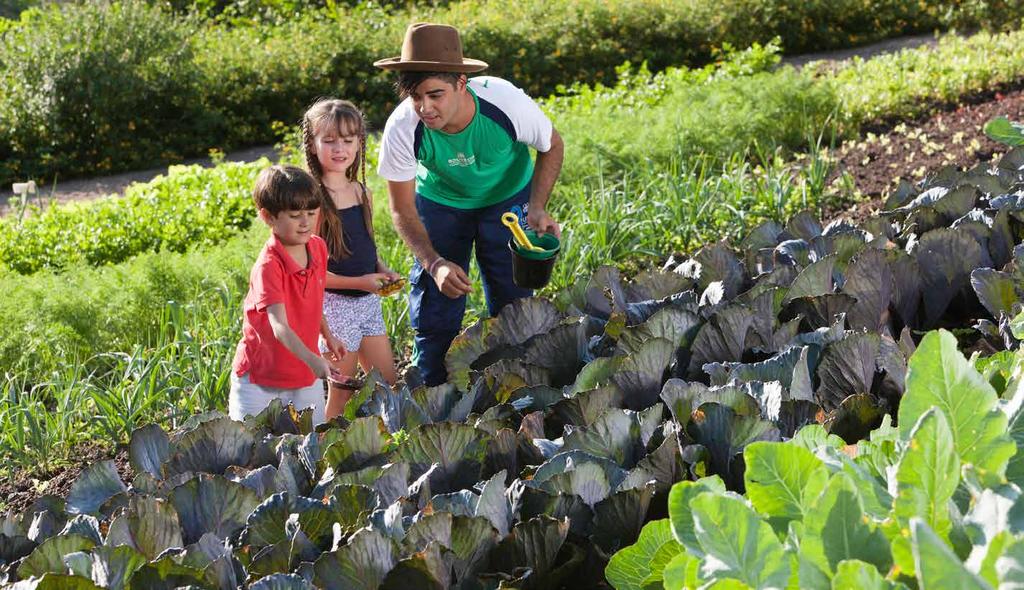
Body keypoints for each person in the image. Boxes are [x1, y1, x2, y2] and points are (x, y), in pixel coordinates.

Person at [375, 22, 564, 386]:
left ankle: (518, 387)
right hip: (442, 203)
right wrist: (434, 264)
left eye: (435, 94)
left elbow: (551, 146)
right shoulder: (402, 127)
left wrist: (537, 207)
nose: (424, 108)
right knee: (436, 304)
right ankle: (433, 393)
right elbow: (401, 209)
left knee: (513, 300)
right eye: (415, 96)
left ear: (462, 83)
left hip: (507, 198)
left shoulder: (505, 103)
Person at [302, 98, 400, 419]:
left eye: (348, 139)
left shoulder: (362, 192)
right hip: (335, 309)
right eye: (329, 140)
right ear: (313, 146)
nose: (339, 148)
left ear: (360, 143)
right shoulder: (313, 202)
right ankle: (325, 454)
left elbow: (368, 250)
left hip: (368, 304)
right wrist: (362, 282)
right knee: (342, 395)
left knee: (388, 383)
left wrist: (383, 273)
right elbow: (311, 274)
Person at [229, 164, 345, 425]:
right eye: (295, 215)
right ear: (268, 217)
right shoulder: (269, 265)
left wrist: (327, 334)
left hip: (302, 374)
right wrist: (314, 360)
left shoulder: (317, 247)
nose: (305, 222)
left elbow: (313, 300)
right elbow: (279, 326)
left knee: (311, 447)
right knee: (250, 450)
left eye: (311, 212)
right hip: (259, 379)